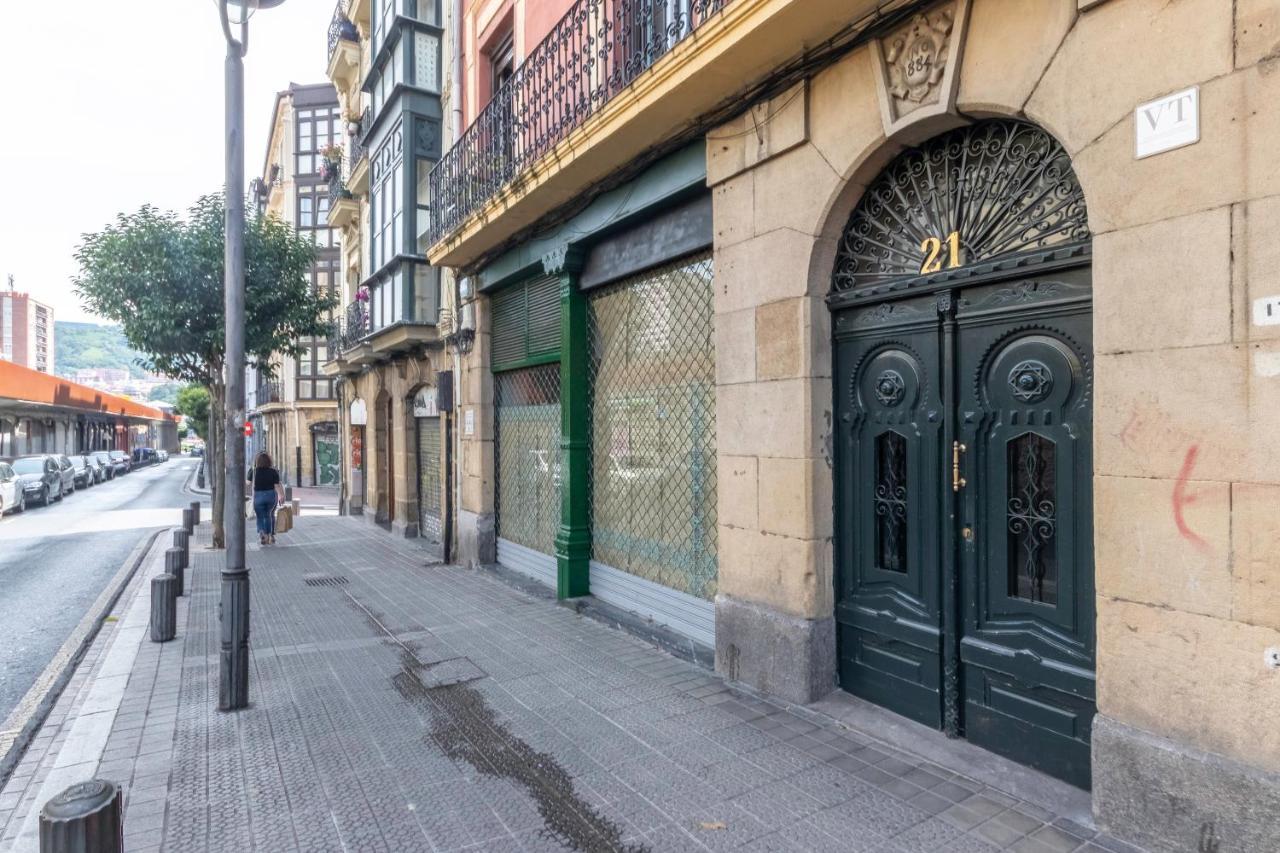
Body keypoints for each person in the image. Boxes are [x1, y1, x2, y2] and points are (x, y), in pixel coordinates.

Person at [248, 452, 285, 545]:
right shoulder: (273, 471)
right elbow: (277, 485)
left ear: (258, 461)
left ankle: (262, 532)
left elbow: (247, 482)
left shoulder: (254, 471)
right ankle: (269, 534)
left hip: (258, 496)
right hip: (271, 496)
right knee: (269, 515)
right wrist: (281, 495)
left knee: (260, 516)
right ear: (269, 461)